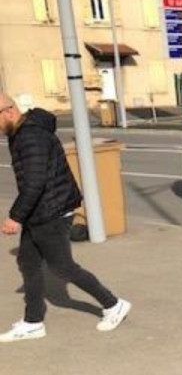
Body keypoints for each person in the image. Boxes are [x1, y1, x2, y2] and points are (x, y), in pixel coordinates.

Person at [0, 93, 130, 342]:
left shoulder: (30, 136)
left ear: (8, 111)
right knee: (28, 262)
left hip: (51, 211)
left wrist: (15, 217)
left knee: (63, 268)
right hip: (40, 211)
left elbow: (34, 183)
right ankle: (33, 322)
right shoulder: (20, 133)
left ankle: (113, 305)